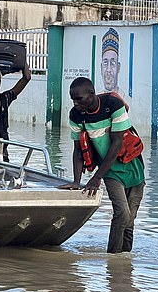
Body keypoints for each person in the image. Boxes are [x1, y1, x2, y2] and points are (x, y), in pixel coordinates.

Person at [59, 77, 145, 254]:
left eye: (79, 99)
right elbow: (78, 151)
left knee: (129, 221)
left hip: (133, 167)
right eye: (73, 99)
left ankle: (123, 265)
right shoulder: (76, 115)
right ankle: (113, 257)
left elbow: (117, 143)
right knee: (122, 213)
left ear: (91, 94)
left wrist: (96, 178)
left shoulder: (113, 105)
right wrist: (77, 181)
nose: (75, 103)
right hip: (110, 171)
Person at [101, 28, 124, 97]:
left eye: (113, 63)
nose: (108, 70)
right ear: (101, 68)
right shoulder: (97, 99)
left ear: (118, 67)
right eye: (105, 63)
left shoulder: (127, 101)